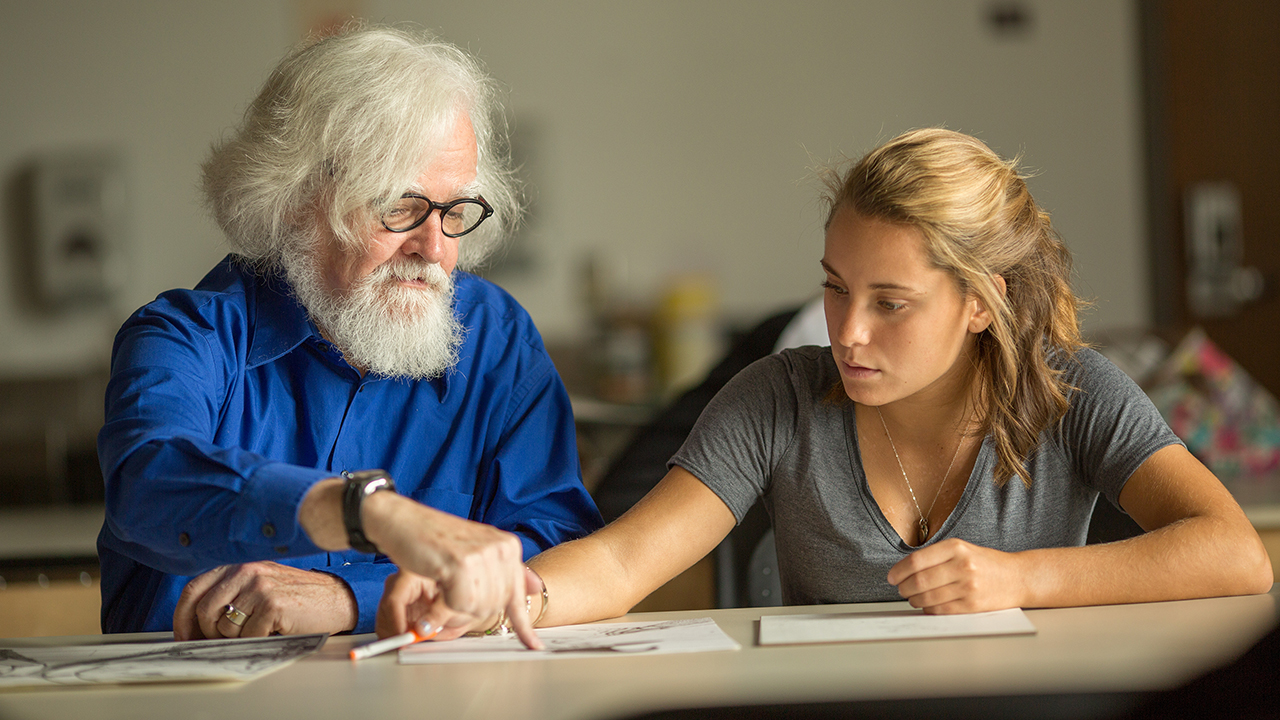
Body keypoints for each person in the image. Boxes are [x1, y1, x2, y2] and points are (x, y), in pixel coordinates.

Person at [378, 128, 1272, 642]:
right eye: (836, 288)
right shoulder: (776, 397)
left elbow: (1234, 554)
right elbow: (619, 564)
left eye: (891, 303)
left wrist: (1020, 579)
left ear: (982, 304)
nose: (847, 332)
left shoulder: (1074, 391)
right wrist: (501, 597)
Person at [96, 24, 602, 648]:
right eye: (398, 207)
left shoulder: (496, 340)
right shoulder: (184, 338)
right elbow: (147, 484)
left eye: (454, 211)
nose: (435, 248)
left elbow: (554, 547)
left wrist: (346, 599)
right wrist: (369, 513)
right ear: (295, 198)